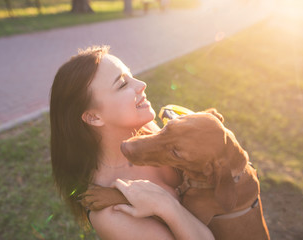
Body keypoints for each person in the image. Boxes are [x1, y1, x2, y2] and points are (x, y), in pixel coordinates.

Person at [50, 45, 214, 239]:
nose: (141, 84)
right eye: (121, 84)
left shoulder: (151, 131)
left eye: (131, 75)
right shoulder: (110, 214)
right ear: (94, 117)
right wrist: (165, 205)